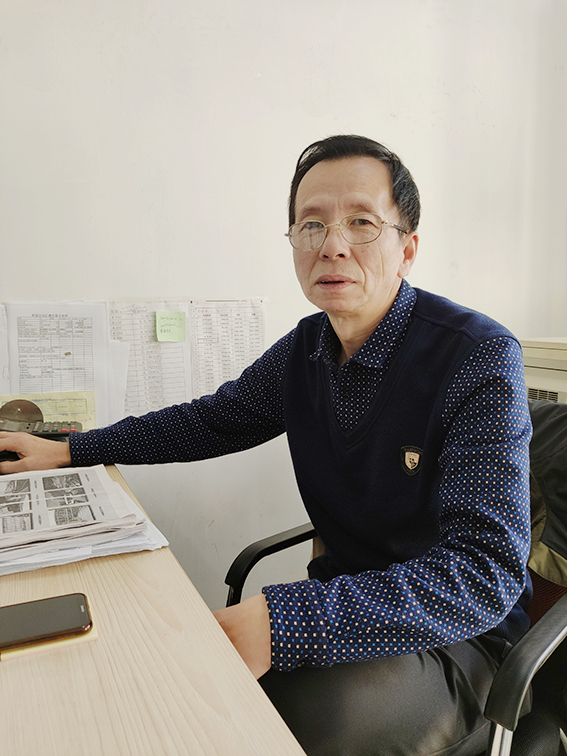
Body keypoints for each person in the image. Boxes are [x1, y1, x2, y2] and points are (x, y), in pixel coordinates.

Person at [0, 135, 532, 755]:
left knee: (267, 720)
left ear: (407, 249)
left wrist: (284, 621)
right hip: (342, 601)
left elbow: (483, 573)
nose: (332, 244)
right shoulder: (308, 347)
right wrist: (72, 450)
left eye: (362, 222)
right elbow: (211, 421)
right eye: (312, 225)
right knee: (180, 691)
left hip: (459, 639)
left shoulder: (477, 356)